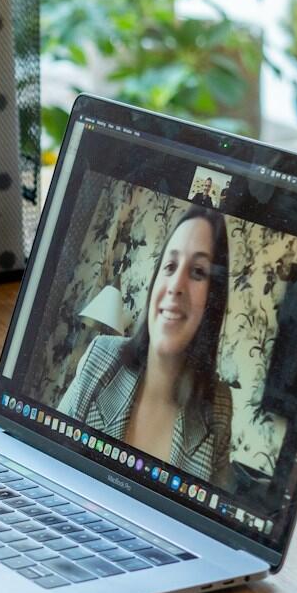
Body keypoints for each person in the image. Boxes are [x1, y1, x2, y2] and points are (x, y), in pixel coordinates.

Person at [59, 204, 235, 487]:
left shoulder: (219, 407)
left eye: (198, 272)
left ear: (213, 299)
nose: (176, 285)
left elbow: (213, 519)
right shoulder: (100, 357)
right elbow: (47, 458)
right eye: (170, 266)